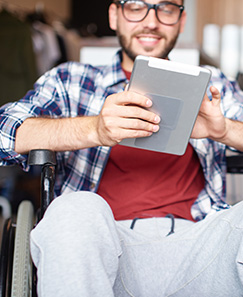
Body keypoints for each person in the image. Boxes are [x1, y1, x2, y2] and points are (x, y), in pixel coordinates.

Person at [1, 0, 243, 296]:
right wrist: (95, 129)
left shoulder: (213, 85)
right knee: (72, 209)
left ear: (181, 21)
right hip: (103, 248)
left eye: (165, 8)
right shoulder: (71, 80)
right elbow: (4, 132)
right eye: (136, 6)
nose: (151, 21)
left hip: (200, 249)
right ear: (114, 16)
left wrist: (224, 130)